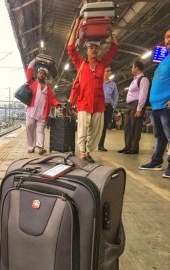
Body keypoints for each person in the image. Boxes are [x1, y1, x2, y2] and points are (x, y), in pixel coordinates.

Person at [68, 19, 118, 163]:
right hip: (83, 102)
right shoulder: (80, 64)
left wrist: (111, 30)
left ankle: (89, 150)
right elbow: (71, 48)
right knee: (83, 130)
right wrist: (76, 26)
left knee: (96, 131)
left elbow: (114, 48)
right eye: (91, 48)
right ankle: (83, 152)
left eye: (96, 48)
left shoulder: (102, 64)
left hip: (98, 104)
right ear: (87, 50)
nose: (94, 50)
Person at [139, 29, 170, 178]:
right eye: (167, 37)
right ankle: (156, 161)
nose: (168, 39)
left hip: (166, 106)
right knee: (160, 137)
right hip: (157, 107)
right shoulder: (165, 60)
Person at [26, 58, 60, 155]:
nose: (41, 74)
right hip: (31, 111)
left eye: (43, 73)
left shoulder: (48, 88)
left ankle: (40, 147)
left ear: (46, 76)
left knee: (40, 130)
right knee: (29, 128)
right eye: (40, 72)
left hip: (43, 113)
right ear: (37, 74)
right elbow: (29, 70)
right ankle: (30, 146)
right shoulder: (32, 83)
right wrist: (35, 60)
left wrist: (57, 104)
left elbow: (52, 99)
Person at [118, 60, 150, 154]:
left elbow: (143, 95)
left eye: (132, 67)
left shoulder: (143, 79)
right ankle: (128, 146)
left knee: (135, 127)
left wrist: (139, 109)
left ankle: (134, 148)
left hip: (136, 105)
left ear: (137, 68)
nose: (131, 69)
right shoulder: (134, 80)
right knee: (127, 126)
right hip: (130, 105)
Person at [98, 66, 118, 151]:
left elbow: (115, 96)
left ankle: (101, 145)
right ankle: (89, 145)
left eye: (110, 71)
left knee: (104, 127)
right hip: (98, 106)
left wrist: (113, 106)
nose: (110, 72)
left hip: (108, 107)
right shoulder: (98, 82)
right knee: (94, 126)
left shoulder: (113, 84)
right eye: (107, 71)